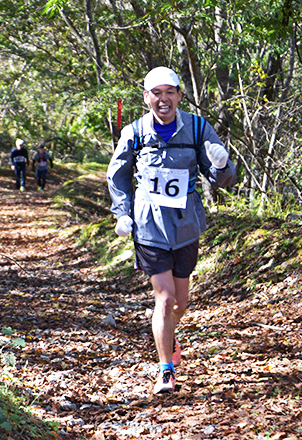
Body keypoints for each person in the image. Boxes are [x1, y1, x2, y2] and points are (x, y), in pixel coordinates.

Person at [106, 66, 237, 394]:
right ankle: (166, 371)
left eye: (169, 92)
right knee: (163, 299)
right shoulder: (134, 132)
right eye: (156, 92)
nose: (163, 99)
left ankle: (167, 335)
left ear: (179, 95)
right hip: (149, 225)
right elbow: (117, 176)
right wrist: (122, 214)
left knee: (181, 303)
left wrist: (221, 165)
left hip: (185, 226)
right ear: (147, 97)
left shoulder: (197, 128)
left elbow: (221, 179)